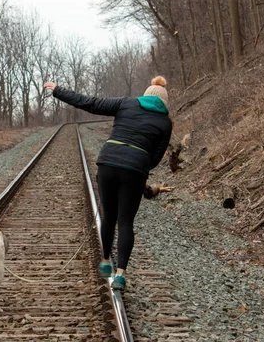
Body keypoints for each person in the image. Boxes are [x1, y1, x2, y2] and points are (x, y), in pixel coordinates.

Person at [44, 76, 173, 290]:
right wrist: (139, 167)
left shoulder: (126, 103)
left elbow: (91, 103)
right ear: (165, 101)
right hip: (135, 170)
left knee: (109, 216)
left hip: (108, 163)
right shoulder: (165, 122)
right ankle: (120, 275)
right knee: (125, 222)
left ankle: (105, 260)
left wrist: (58, 90)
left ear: (146, 94)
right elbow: (157, 156)